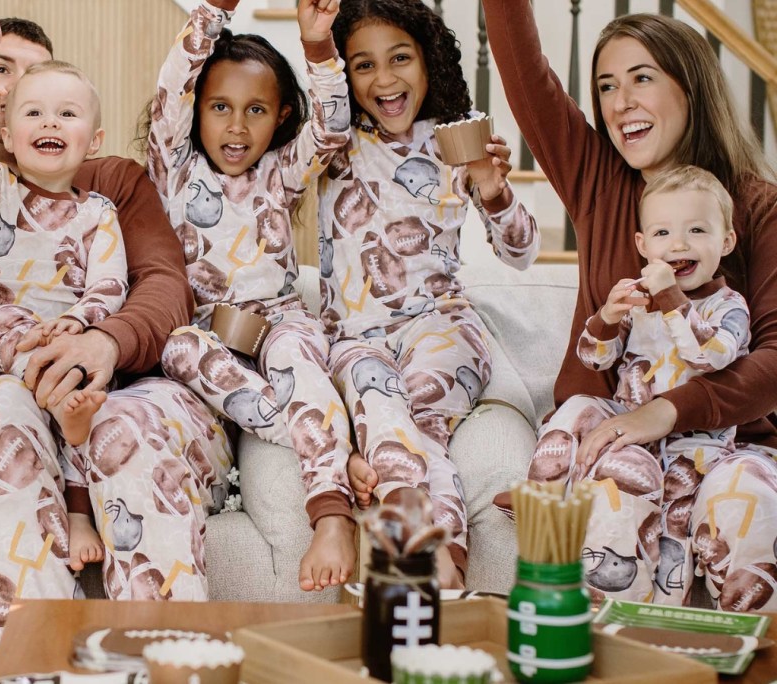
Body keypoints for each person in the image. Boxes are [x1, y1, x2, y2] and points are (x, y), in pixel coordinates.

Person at [0, 4, 232, 676]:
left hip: (129, 377)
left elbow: (161, 284)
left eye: (51, 90)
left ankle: (167, 670)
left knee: (125, 427)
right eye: (5, 79)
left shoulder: (111, 187)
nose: (27, 99)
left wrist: (103, 340)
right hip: (13, 376)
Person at [483, 0, 777, 610]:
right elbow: (526, 74)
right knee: (610, 531)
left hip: (732, 447)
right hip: (617, 443)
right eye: (607, 86)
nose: (620, 104)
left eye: (642, 78)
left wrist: (665, 413)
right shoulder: (596, 178)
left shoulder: (756, 208)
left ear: (690, 87)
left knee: (744, 510)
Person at [327, 0, 540, 589]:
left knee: (417, 417)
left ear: (429, 60)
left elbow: (521, 251)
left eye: (400, 58)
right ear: (344, 76)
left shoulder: (455, 137)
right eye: (363, 65)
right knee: (382, 404)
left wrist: (494, 188)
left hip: (443, 326)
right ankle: (443, 564)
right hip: (354, 338)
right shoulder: (332, 141)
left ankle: (429, 558)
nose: (385, 79)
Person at [148, 0, 357, 592]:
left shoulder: (282, 171)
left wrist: (319, 48)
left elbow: (333, 130)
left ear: (279, 116)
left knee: (300, 357)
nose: (236, 127)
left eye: (255, 111)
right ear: (197, 111)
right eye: (220, 108)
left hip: (276, 322)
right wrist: (210, 15)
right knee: (177, 346)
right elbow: (169, 91)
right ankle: (310, 432)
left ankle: (332, 510)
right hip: (205, 331)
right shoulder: (175, 168)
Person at [527, 165, 750, 604]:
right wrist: (607, 318)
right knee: (577, 406)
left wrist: (671, 299)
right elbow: (596, 358)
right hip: (626, 420)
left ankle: (664, 604)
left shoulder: (729, 307)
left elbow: (709, 356)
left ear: (725, 242)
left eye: (697, 230)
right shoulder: (638, 301)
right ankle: (542, 491)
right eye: (663, 233)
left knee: (672, 519)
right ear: (643, 246)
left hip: (693, 442)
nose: (679, 244)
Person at [0, 60, 129, 573]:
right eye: (34, 112)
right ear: (8, 134)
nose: (50, 123)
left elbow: (110, 285)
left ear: (93, 140)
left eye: (66, 113)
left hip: (65, 351)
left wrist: (78, 324)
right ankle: (56, 385)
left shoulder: (99, 213)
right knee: (2, 318)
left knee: (89, 393)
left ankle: (76, 512)